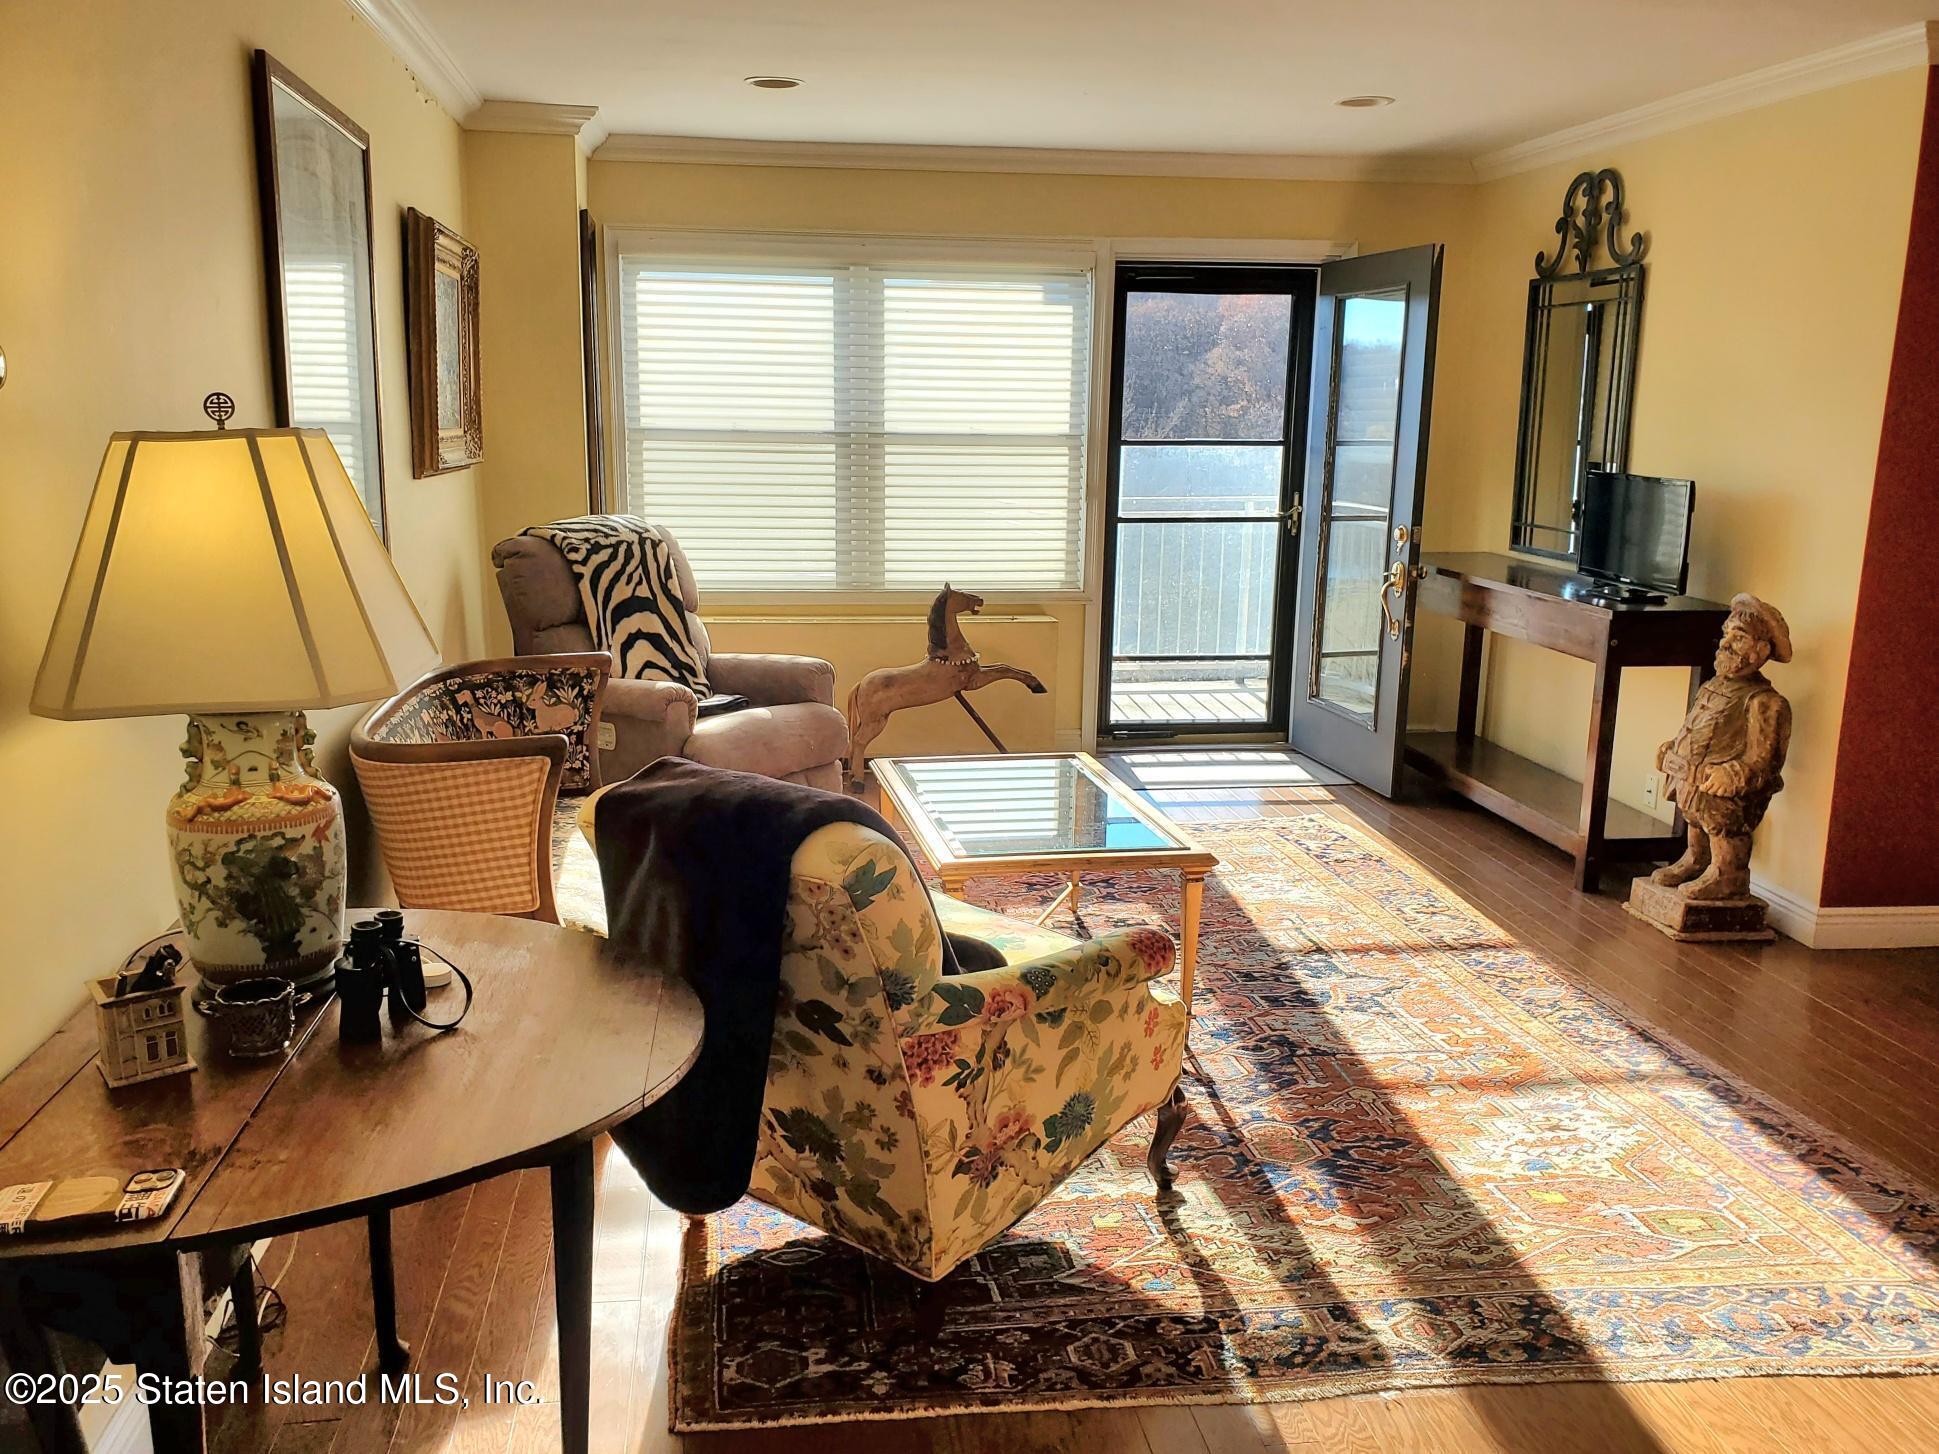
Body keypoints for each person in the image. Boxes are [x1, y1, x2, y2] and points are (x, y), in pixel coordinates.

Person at [1650, 593, 1792, 901]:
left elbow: (1763, 760)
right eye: (1726, 634)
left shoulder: (1765, 702)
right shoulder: (1712, 687)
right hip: (1692, 779)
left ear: (1761, 650)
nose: (1725, 643)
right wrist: (1672, 747)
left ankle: (1728, 873)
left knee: (1722, 824)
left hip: (1724, 793)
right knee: (1694, 816)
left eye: (1738, 638)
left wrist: (1735, 774)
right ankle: (1695, 859)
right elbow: (1696, 730)